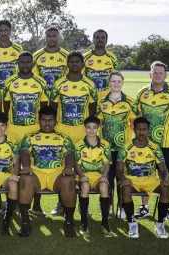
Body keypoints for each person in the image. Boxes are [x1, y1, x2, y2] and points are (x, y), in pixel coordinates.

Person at [135, 61, 169, 221]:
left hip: (166, 144)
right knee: (146, 172)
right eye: (155, 72)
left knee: (165, 175)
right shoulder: (142, 93)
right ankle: (144, 207)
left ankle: (167, 206)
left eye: (161, 73)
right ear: (150, 74)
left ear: (165, 75)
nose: (158, 75)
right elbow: (137, 115)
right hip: (146, 144)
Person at [48, 50, 97, 216]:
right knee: (64, 168)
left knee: (82, 168)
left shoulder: (90, 85)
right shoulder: (58, 84)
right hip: (63, 130)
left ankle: (84, 205)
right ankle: (61, 203)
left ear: (82, 65)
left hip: (81, 131)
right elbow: (53, 109)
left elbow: (92, 111)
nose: (74, 64)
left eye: (77, 61)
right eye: (72, 61)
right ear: (67, 64)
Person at [18, 106, 76, 237]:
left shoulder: (64, 138)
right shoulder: (30, 137)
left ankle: (68, 221)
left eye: (50, 120)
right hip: (37, 174)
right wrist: (26, 166)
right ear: (39, 121)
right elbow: (25, 152)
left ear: (56, 122)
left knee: (69, 180)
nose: (47, 123)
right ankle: (25, 221)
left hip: (56, 174)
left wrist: (68, 167)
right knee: (25, 178)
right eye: (44, 120)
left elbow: (69, 154)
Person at [3, 51, 49, 216]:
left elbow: (44, 108)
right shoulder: (10, 82)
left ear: (33, 64)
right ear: (17, 63)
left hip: (34, 131)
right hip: (14, 130)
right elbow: (6, 106)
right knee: (12, 165)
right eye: (21, 62)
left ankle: (36, 205)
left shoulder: (40, 82)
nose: (25, 65)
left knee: (35, 166)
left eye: (28, 62)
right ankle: (11, 204)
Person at [116, 117, 169, 238]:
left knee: (166, 187)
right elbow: (118, 170)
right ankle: (131, 223)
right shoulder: (125, 147)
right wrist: (124, 179)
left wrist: (166, 178)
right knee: (125, 187)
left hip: (150, 180)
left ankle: (160, 223)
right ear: (134, 130)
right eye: (139, 129)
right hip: (132, 180)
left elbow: (163, 169)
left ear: (148, 131)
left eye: (144, 129)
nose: (141, 132)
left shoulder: (155, 148)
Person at [96, 71, 138, 219]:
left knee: (121, 178)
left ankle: (121, 207)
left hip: (122, 148)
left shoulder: (130, 101)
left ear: (123, 82)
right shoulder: (102, 102)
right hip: (106, 148)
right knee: (107, 179)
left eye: (119, 81)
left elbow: (134, 124)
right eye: (113, 81)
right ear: (109, 83)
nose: (116, 84)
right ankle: (106, 208)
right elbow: (98, 123)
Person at [74, 116, 112, 237]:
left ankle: (105, 224)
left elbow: (106, 163)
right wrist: (81, 175)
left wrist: (104, 176)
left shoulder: (105, 144)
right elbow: (77, 165)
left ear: (98, 128)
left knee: (104, 187)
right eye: (89, 128)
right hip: (84, 175)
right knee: (84, 186)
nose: (91, 130)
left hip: (99, 175)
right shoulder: (79, 144)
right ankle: (84, 224)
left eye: (94, 127)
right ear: (84, 129)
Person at [0, 20, 23, 90]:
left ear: (10, 31)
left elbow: (21, 69)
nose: (3, 33)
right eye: (1, 30)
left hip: (14, 88)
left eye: (6, 30)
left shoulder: (18, 48)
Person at [83, 29, 119, 96]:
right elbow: (80, 78)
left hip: (107, 98)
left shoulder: (113, 58)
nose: (100, 40)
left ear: (106, 40)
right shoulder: (84, 58)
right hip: (89, 96)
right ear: (93, 40)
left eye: (103, 37)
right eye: (97, 37)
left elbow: (117, 79)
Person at [33, 26, 69, 92]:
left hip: (59, 95)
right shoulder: (36, 56)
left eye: (54, 36)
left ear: (58, 37)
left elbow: (69, 77)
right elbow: (33, 77)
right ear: (45, 37)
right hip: (42, 95)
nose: (51, 39)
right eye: (49, 36)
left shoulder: (67, 55)